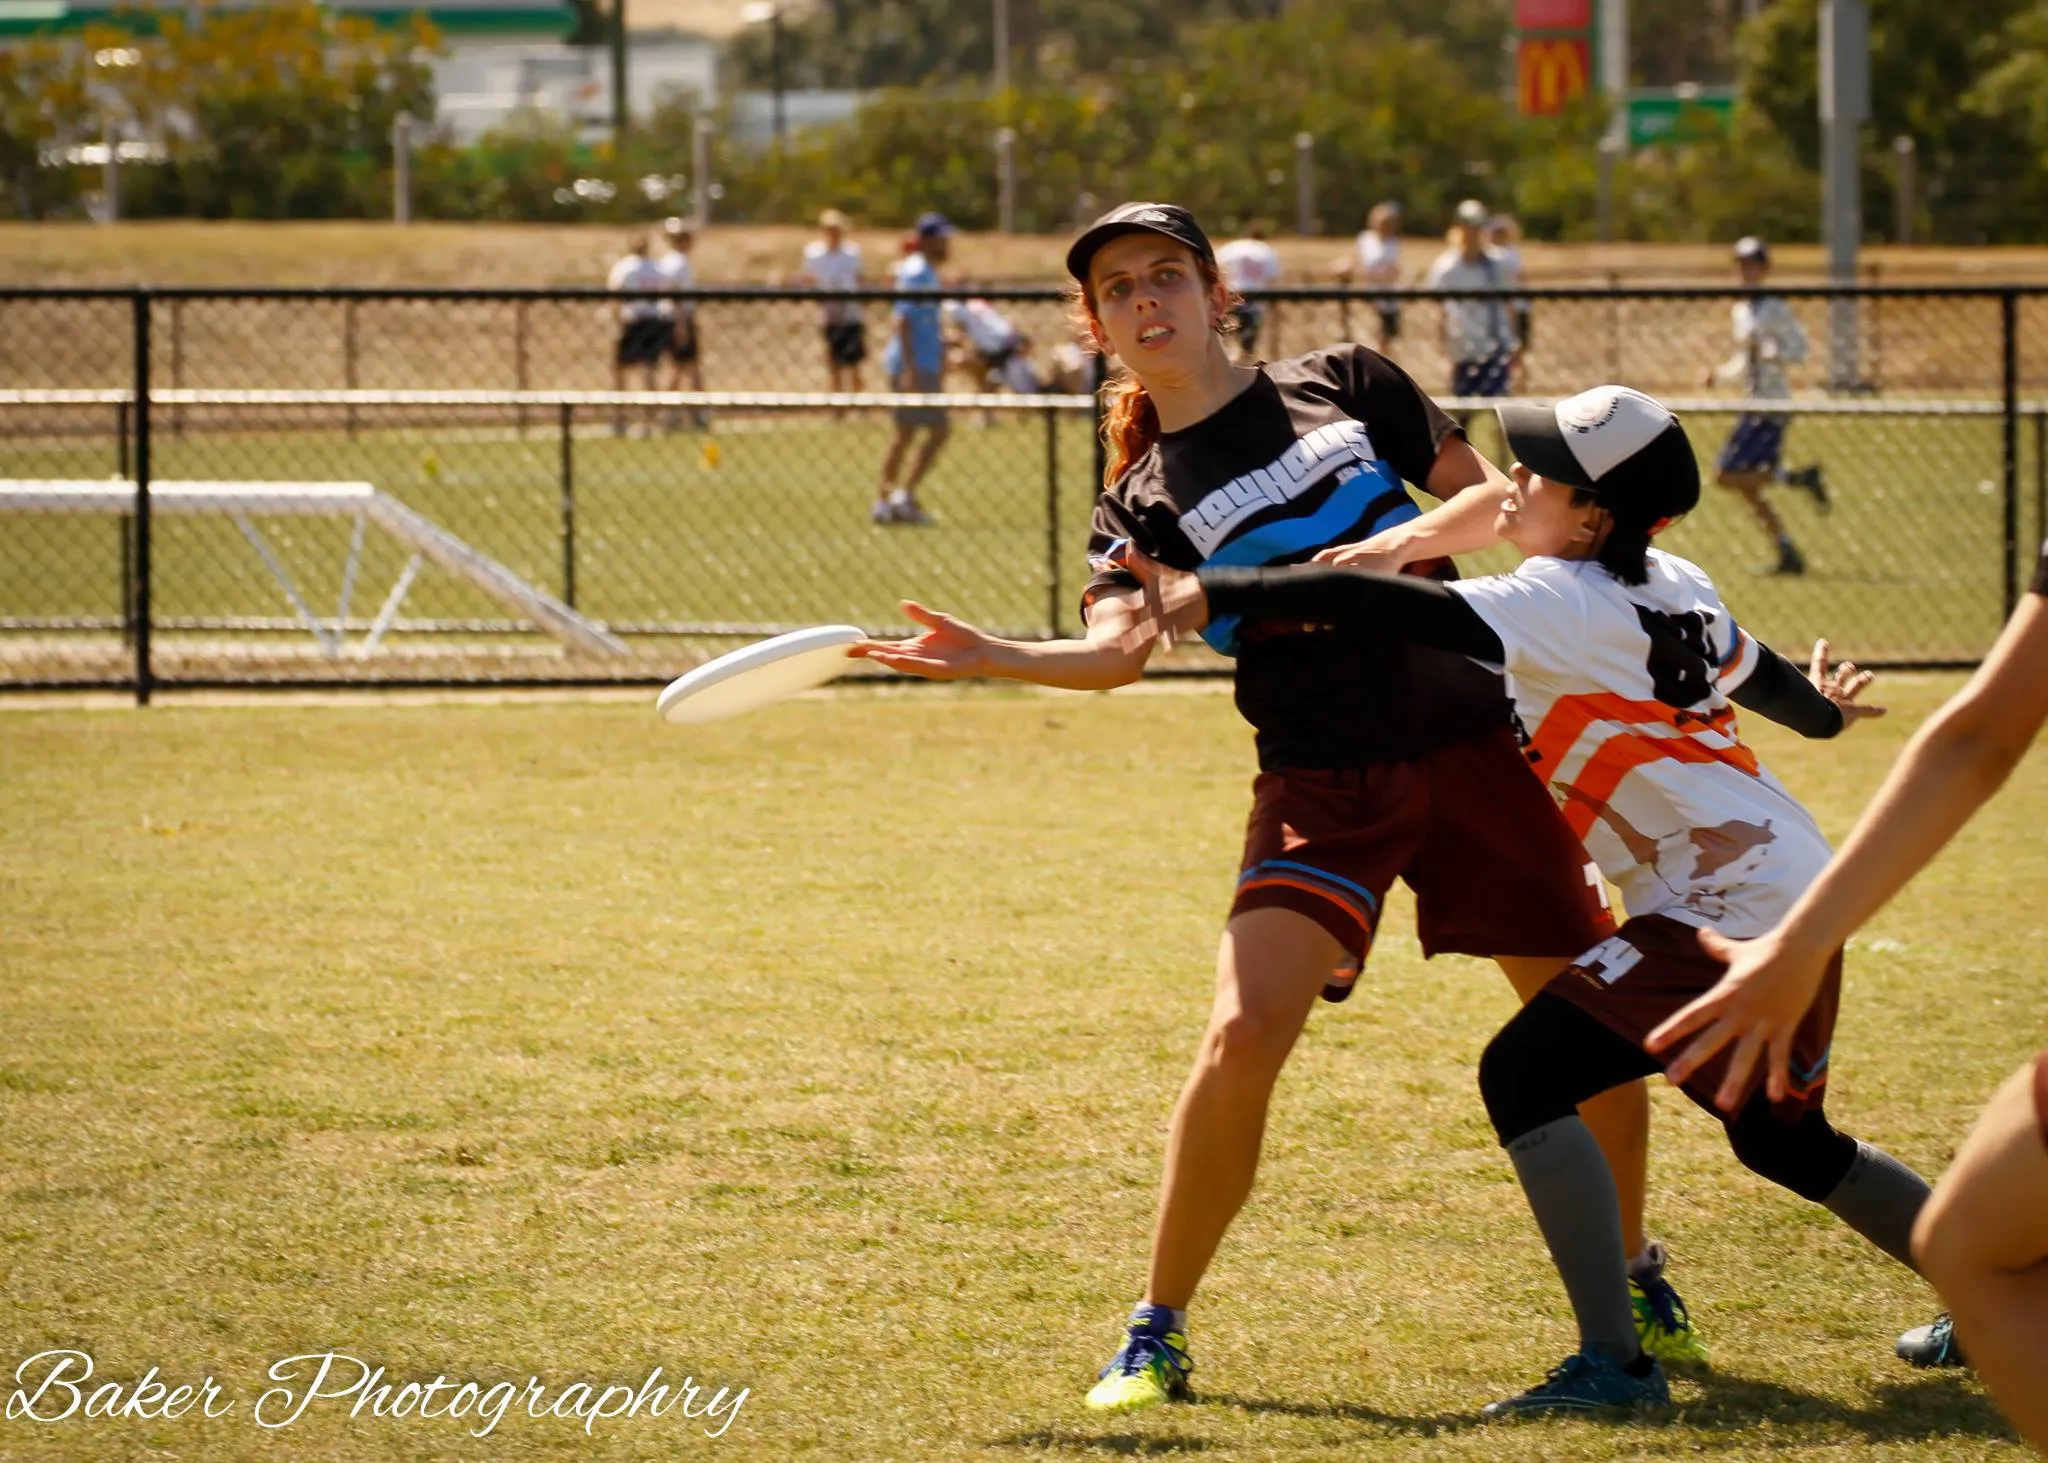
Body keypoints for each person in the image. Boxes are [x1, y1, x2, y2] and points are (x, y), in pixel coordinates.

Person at [854, 202, 1705, 1413]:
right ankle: (1155, 1329)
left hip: (1473, 740)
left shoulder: (1345, 380)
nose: (1145, 301)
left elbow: (1489, 512)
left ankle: (1630, 1277)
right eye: (1116, 289)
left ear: (1216, 293)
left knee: (1581, 1024)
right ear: (1091, 324)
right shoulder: (1138, 501)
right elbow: (1114, 651)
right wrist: (995, 654)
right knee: (1240, 1034)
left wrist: (1371, 556)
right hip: (1322, 777)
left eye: (1165, 276)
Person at [1124, 384, 1944, 1418]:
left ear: (1593, 514)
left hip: (1726, 901)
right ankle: (1994, 1273)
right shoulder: (1672, 578)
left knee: (1524, 1072)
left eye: (1538, 470)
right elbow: (1774, 683)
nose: (1510, 479)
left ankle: (1612, 1361)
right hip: (1779, 879)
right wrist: (1825, 710)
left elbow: (1387, 609)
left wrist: (1215, 590)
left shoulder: (1554, 600)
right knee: (1784, 1139)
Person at [1647, 543, 2048, 1445]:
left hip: (1711, 900)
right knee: (1970, 1250)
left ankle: (1612, 1333)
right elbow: (1973, 739)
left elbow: (1980, 741)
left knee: (1970, 1251)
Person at [1702, 236, 1828, 576]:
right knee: (1743, 484)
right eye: (1741, 264)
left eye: (1753, 263)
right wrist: (1721, 376)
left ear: (1765, 268)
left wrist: (1770, 351)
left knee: (1727, 476)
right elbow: (1745, 359)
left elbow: (1799, 351)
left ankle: (1796, 479)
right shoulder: (1741, 310)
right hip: (1751, 401)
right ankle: (1787, 548)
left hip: (1771, 404)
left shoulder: (1775, 307)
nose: (1746, 271)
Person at [874, 212, 952, 526]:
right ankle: (893, 498)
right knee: (931, 430)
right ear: (926, 240)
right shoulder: (918, 273)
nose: (947, 244)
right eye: (941, 238)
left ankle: (892, 499)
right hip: (915, 365)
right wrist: (910, 368)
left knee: (908, 433)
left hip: (923, 363)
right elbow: (902, 319)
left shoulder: (926, 272)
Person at [1424, 199, 1518, 405]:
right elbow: (1440, 314)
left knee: (1499, 411)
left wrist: (1514, 344)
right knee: (1462, 413)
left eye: (1477, 227)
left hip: (1495, 349)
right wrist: (1445, 355)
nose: (1473, 232)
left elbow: (1509, 305)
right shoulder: (1446, 268)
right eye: (1468, 226)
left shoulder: (1499, 263)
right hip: (1463, 350)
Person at [606, 233, 669, 436]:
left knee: (620, 370)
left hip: (632, 320)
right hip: (652, 320)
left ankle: (620, 418)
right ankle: (648, 421)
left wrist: (616, 320)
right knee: (648, 371)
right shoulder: (656, 267)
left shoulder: (626, 266)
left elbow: (614, 292)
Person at [803, 209, 865, 394]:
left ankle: (858, 402)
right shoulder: (814, 254)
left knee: (854, 362)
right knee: (834, 361)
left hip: (851, 312)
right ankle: (838, 404)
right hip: (829, 313)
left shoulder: (852, 253)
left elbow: (860, 278)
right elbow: (809, 279)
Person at [656, 218, 705, 423]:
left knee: (685, 367)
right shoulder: (679, 263)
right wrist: (681, 324)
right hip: (679, 319)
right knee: (684, 367)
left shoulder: (668, 261)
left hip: (673, 319)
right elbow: (674, 294)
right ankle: (690, 413)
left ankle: (681, 412)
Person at [1215, 223, 1282, 360]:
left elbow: (1215, 267)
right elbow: (1272, 277)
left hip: (1229, 294)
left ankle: (1224, 360)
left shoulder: (1232, 247)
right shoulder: (1265, 250)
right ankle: (1243, 361)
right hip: (1254, 296)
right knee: (1248, 338)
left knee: (1224, 335)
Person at [1349, 201, 1404, 353]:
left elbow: (1394, 270)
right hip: (1367, 294)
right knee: (1366, 336)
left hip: (1387, 296)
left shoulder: (1393, 243)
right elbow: (1356, 262)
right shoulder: (1365, 239)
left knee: (1385, 337)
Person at [1488, 213, 1531, 369]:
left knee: (1519, 345)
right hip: (1504, 308)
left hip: (1518, 306)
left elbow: (1521, 277)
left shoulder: (1511, 253)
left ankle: (1521, 375)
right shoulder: (1493, 254)